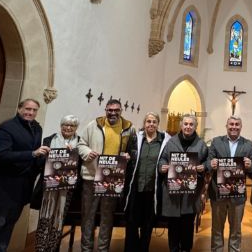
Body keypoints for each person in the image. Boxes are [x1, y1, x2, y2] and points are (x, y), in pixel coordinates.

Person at [77, 99, 136, 252]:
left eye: (116, 110)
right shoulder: (94, 125)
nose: (113, 113)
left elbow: (134, 150)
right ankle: (86, 249)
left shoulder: (129, 128)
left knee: (107, 217)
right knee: (88, 216)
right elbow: (81, 143)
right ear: (105, 110)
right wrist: (87, 153)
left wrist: (129, 156)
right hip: (91, 177)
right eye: (110, 110)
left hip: (112, 179)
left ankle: (103, 249)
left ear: (121, 111)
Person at [0, 98, 49, 252]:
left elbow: (36, 156)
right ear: (19, 109)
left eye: (34, 110)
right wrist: (32, 154)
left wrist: (49, 160)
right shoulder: (6, 128)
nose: (30, 112)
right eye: (27, 109)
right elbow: (2, 155)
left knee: (10, 223)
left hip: (23, 187)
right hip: (4, 186)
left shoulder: (37, 128)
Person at [205, 116, 252, 252]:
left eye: (237, 124)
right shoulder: (216, 142)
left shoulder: (248, 144)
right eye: (231, 124)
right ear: (226, 126)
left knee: (235, 230)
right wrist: (211, 164)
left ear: (241, 127)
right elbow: (207, 163)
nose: (234, 127)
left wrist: (250, 165)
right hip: (218, 193)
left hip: (238, 195)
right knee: (217, 229)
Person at [159, 114, 208, 252]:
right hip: (173, 193)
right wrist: (162, 166)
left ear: (195, 126)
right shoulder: (170, 142)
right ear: (181, 125)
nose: (188, 127)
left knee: (187, 226)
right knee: (173, 226)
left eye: (191, 124)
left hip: (191, 194)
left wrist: (204, 167)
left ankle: (186, 249)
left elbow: (207, 161)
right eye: (185, 124)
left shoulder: (201, 144)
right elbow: (162, 159)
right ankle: (173, 249)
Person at [33, 115, 81, 252]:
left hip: (66, 188)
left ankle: (53, 247)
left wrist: (75, 154)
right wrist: (45, 155)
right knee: (45, 216)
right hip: (49, 187)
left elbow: (81, 167)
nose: (68, 128)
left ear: (76, 128)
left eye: (72, 125)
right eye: (65, 124)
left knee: (59, 218)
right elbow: (38, 164)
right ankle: (40, 247)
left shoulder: (80, 143)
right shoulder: (49, 140)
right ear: (61, 126)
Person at [123, 112, 169, 252]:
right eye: (148, 121)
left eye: (154, 121)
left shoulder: (164, 141)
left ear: (158, 124)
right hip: (135, 188)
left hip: (152, 190)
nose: (151, 124)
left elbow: (167, 159)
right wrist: (125, 157)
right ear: (144, 123)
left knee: (147, 225)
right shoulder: (135, 139)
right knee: (131, 223)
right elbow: (126, 155)